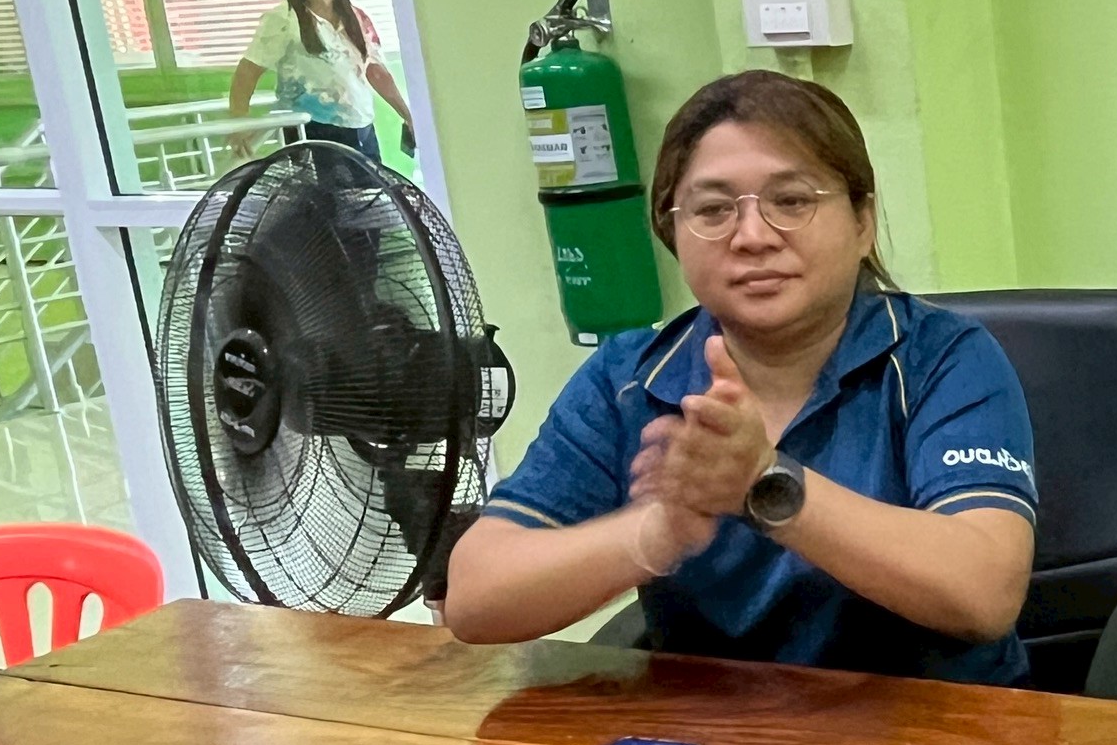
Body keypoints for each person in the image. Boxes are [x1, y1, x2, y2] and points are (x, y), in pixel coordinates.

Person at [445, 70, 1039, 682]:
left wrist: (766, 483)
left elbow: (984, 592)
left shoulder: (942, 357)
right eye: (712, 210)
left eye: (792, 201)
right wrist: (657, 532)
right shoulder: (627, 378)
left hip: (938, 726)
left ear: (862, 222)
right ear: (673, 233)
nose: (752, 237)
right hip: (718, 726)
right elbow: (475, 599)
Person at [228, 0, 414, 163]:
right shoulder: (282, 19)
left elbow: (376, 73)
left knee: (370, 184)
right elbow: (248, 72)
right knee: (323, 187)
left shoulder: (357, 18)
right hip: (310, 128)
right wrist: (239, 122)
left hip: (360, 124)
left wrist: (408, 115)